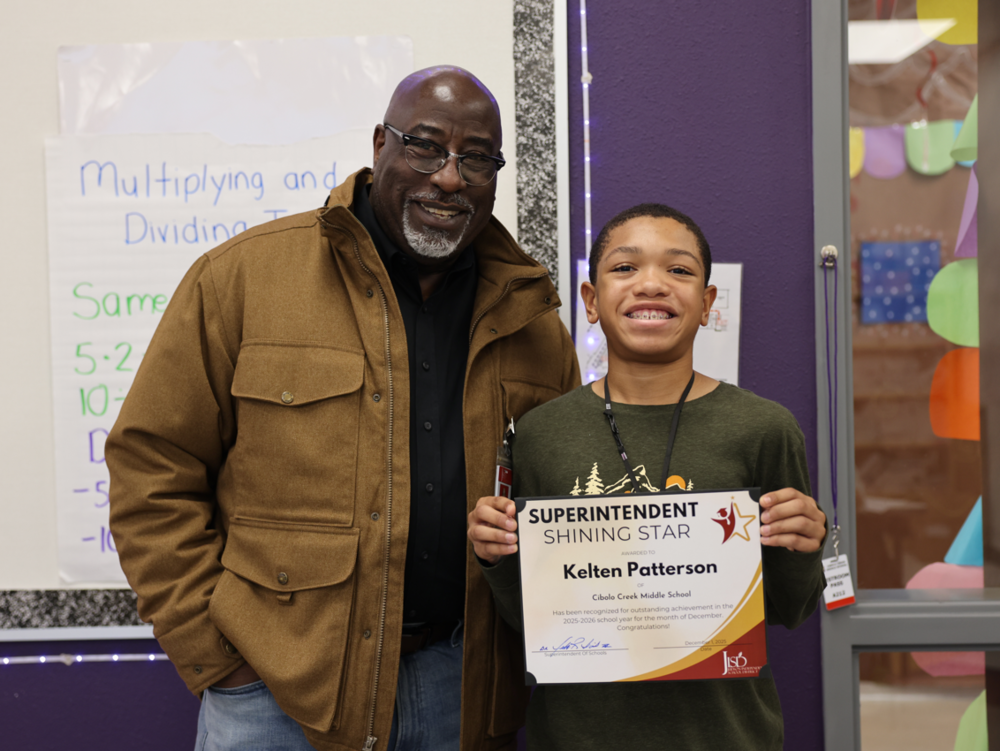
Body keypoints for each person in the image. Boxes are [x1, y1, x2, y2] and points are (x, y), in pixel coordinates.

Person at [106, 66, 580, 751]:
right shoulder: (242, 278)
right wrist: (218, 655)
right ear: (379, 144)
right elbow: (151, 469)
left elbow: (566, 505)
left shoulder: (533, 318)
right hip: (276, 693)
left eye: (476, 158)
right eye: (424, 145)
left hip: (461, 691)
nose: (449, 177)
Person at [468, 203, 827, 750]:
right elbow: (533, 623)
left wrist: (802, 546)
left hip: (726, 737)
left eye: (679, 270)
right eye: (625, 268)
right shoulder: (538, 435)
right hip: (576, 737)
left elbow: (789, 608)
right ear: (590, 301)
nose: (652, 285)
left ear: (707, 304)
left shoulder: (763, 428)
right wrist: (494, 555)